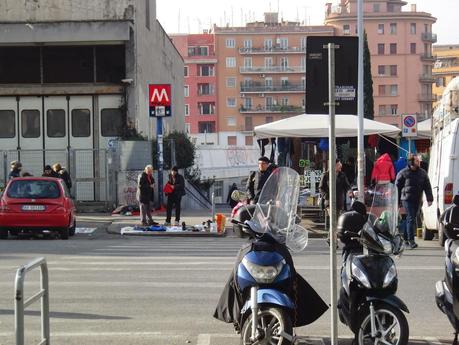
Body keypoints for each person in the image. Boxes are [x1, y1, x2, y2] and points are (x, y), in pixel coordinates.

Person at [395, 155, 433, 249]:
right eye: (416, 161)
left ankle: (405, 238)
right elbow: (397, 187)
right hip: (406, 199)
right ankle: (411, 241)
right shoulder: (403, 173)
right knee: (411, 217)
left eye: (418, 160)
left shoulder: (422, 173)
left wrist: (429, 199)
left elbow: (427, 186)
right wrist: (397, 201)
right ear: (411, 162)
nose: (418, 162)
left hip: (417, 199)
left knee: (410, 218)